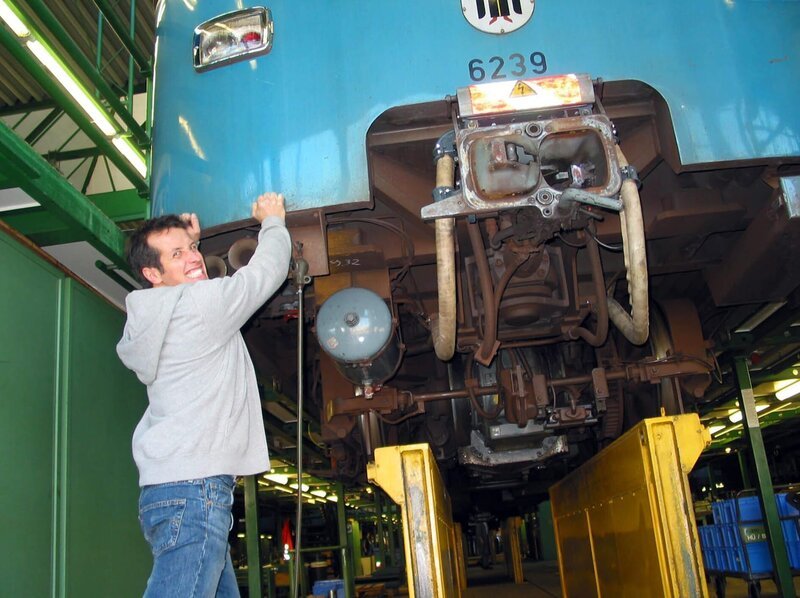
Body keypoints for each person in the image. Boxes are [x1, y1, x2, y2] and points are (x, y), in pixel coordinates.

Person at [116, 192, 291, 597]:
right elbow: (266, 272)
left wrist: (185, 251)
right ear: (152, 273)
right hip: (195, 490)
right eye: (176, 254)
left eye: (193, 248)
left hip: (172, 489)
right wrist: (273, 221)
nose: (193, 257)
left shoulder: (152, 315)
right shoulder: (199, 306)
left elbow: (191, 283)